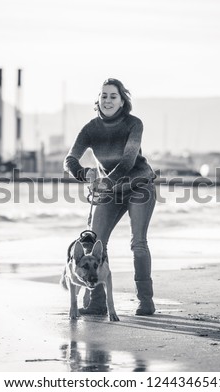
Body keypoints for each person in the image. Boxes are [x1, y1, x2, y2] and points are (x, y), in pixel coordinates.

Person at [64, 78, 157, 316]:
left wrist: (106, 181)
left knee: (138, 244)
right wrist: (83, 173)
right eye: (104, 96)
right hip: (109, 192)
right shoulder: (90, 129)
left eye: (113, 96)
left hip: (139, 186)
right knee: (96, 243)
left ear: (122, 100)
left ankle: (145, 301)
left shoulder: (134, 124)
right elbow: (70, 160)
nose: (107, 100)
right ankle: (96, 303)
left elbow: (128, 160)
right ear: (98, 100)